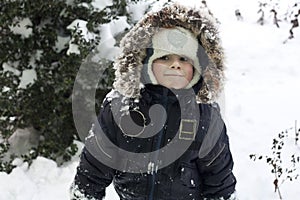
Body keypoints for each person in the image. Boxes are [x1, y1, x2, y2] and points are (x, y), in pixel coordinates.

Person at [70, 2, 237, 200]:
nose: (175, 65)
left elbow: (219, 183)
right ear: (146, 63)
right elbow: (92, 172)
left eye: (184, 59)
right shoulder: (120, 108)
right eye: (165, 57)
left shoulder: (205, 117)